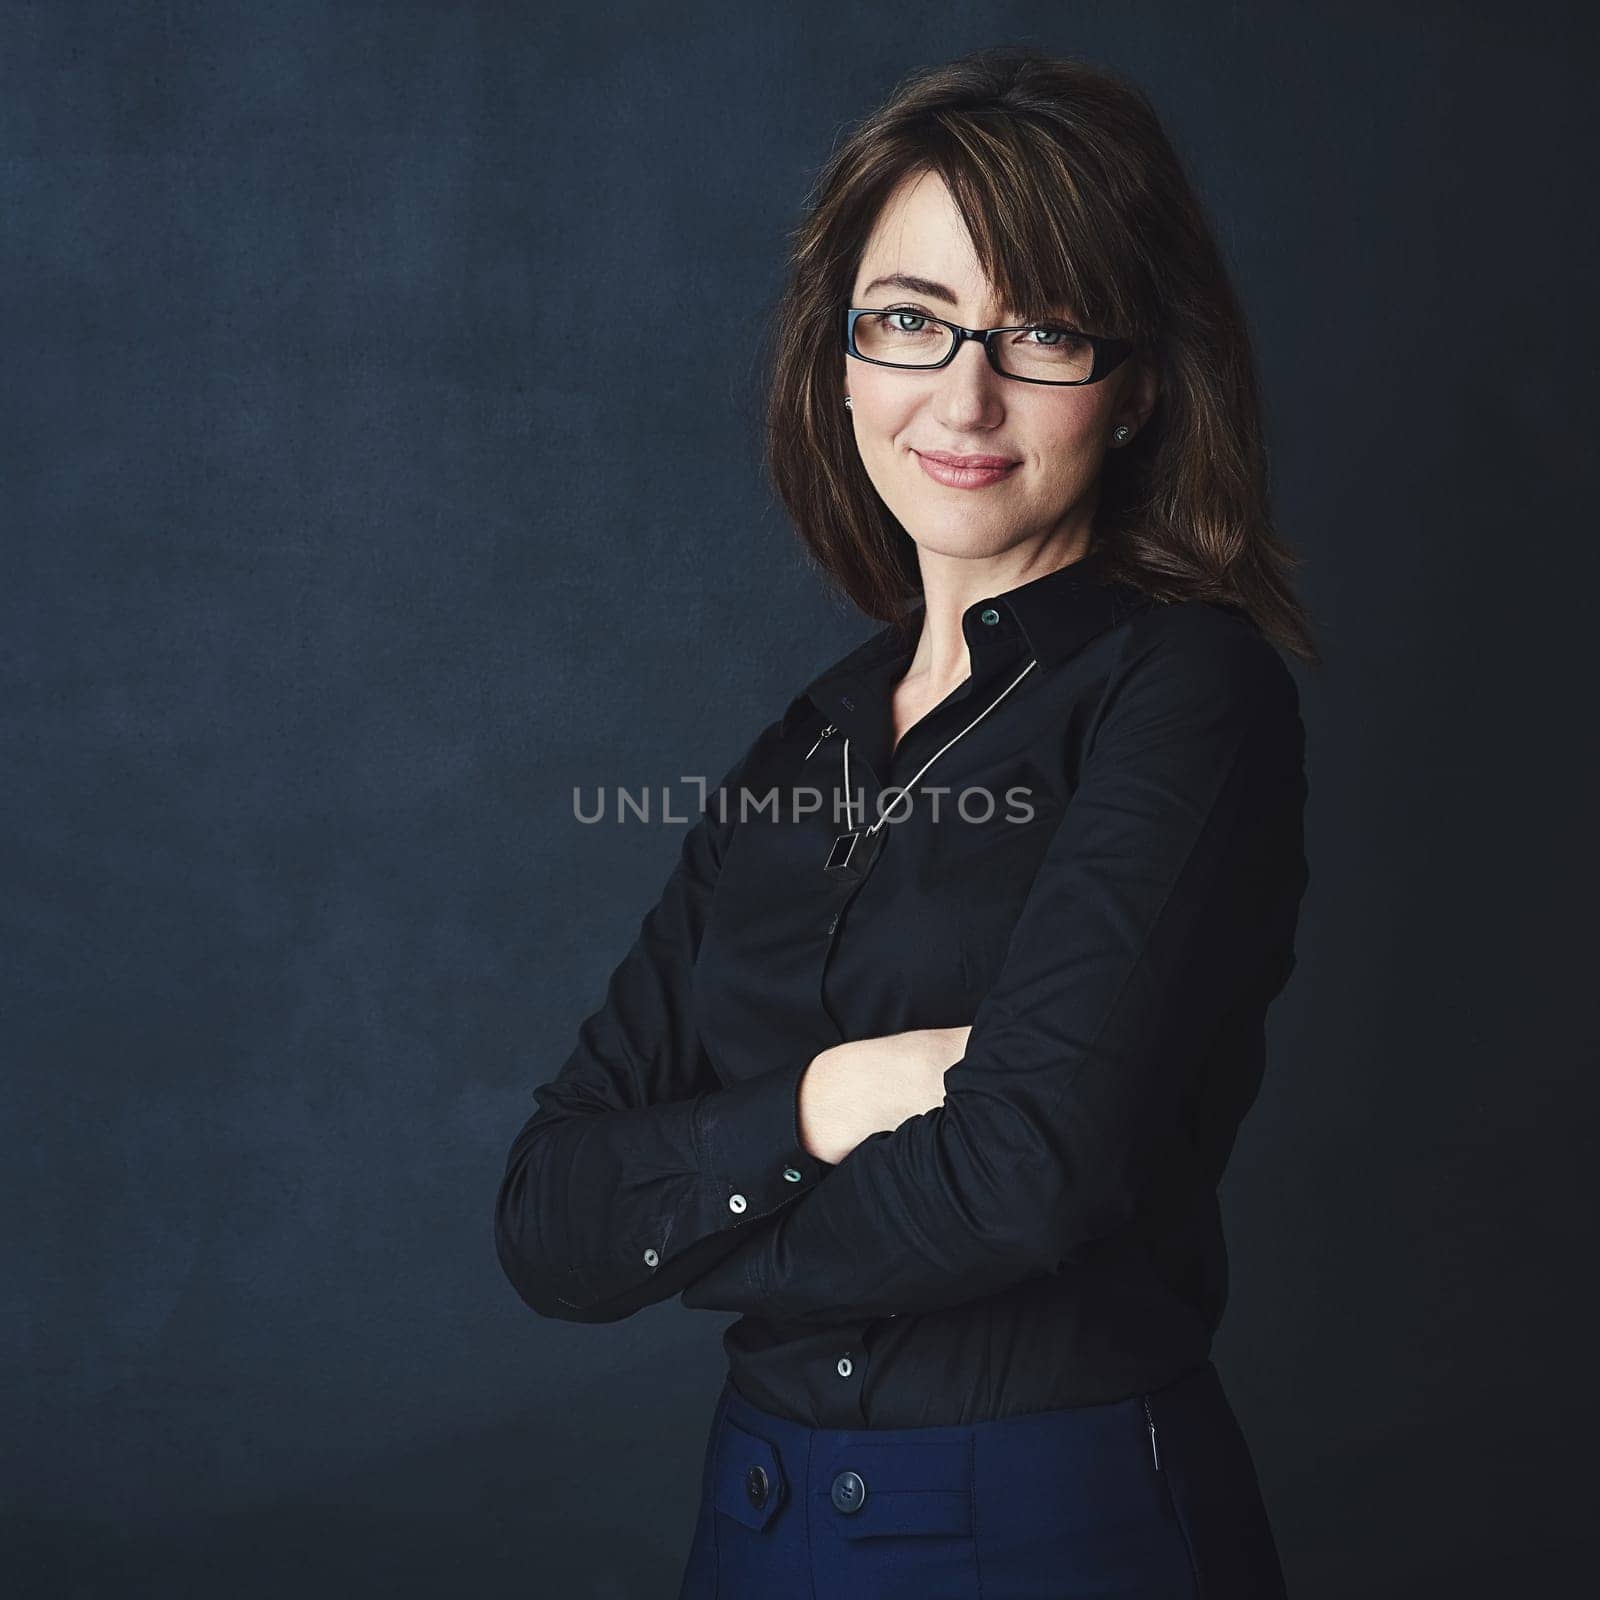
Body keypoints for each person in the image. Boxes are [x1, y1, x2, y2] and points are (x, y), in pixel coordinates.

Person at [495, 44, 1318, 1599]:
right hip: (756, 1519)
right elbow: (548, 1212)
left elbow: (1031, 1172)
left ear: (1139, 383)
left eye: (1044, 331)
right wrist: (827, 1100)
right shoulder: (801, 746)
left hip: (1050, 1520)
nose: (965, 393)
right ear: (842, 357)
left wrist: (693, 1235)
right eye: (911, 321)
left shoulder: (1188, 696)